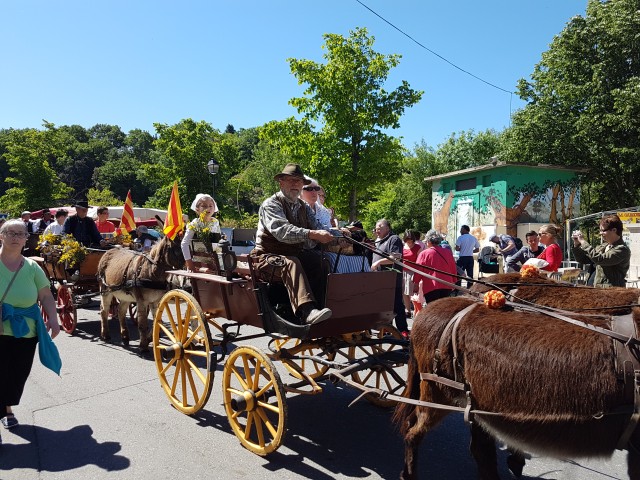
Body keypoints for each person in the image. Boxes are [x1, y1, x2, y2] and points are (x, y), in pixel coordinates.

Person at [251, 163, 334, 325]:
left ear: (303, 185)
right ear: (281, 183)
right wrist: (312, 234)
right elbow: (282, 231)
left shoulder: (304, 207)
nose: (295, 184)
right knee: (291, 263)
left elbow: (319, 228)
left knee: (321, 261)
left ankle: (323, 306)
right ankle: (307, 312)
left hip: (295, 254)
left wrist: (340, 233)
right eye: (291, 180)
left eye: (299, 181)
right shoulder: (271, 204)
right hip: (265, 257)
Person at [0, 220, 59, 444]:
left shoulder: (32, 267)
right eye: (10, 232)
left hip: (26, 331)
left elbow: (45, 295)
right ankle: (6, 412)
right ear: (1, 236)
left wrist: (53, 319)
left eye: (20, 234)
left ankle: (7, 407)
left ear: (26, 239)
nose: (16, 236)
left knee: (17, 374)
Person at [371, 219, 409, 338]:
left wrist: (378, 263)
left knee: (396, 304)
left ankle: (403, 329)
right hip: (380, 278)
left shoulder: (394, 239)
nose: (377, 230)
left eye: (380, 227)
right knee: (384, 305)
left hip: (391, 278)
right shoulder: (379, 241)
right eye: (376, 227)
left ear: (387, 228)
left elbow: (395, 257)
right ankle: (387, 327)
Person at [571, 214, 630, 287]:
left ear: (614, 230)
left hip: (611, 294)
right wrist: (576, 245)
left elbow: (600, 259)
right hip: (593, 290)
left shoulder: (622, 249)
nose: (600, 233)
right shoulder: (602, 246)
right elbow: (583, 259)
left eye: (603, 230)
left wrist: (583, 242)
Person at [413, 229, 457, 304]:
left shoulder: (424, 254)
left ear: (429, 241)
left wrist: (416, 283)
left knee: (433, 310)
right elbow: (453, 268)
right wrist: (453, 281)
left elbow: (418, 270)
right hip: (446, 285)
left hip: (431, 286)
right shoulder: (448, 252)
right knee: (444, 308)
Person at [181, 194, 222, 272]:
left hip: (215, 259)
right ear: (197, 209)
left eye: (210, 206)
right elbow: (184, 244)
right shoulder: (195, 223)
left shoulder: (215, 222)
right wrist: (190, 264)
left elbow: (218, 244)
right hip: (199, 262)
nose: (208, 208)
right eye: (204, 206)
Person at [402, 230, 422, 318]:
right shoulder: (403, 247)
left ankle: (416, 310)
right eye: (407, 241)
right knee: (404, 292)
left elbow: (420, 261)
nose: (409, 243)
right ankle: (408, 310)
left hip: (413, 271)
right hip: (403, 271)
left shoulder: (417, 247)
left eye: (411, 241)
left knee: (413, 292)